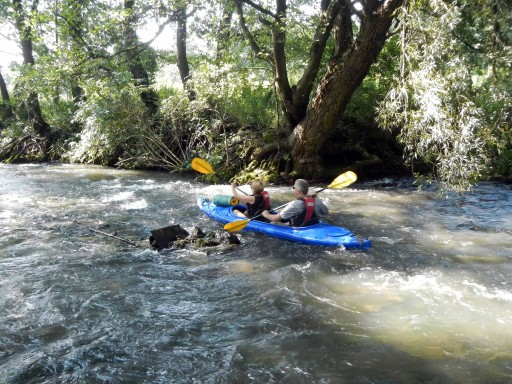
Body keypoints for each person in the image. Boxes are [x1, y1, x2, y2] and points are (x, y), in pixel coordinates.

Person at [262, 179, 328, 227]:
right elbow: (325, 212)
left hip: (299, 228)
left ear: (298, 191)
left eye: (294, 188)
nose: (293, 189)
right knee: (288, 221)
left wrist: (266, 214)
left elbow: (275, 218)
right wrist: (316, 197)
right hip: (312, 225)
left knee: (273, 222)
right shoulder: (316, 200)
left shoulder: (295, 204)